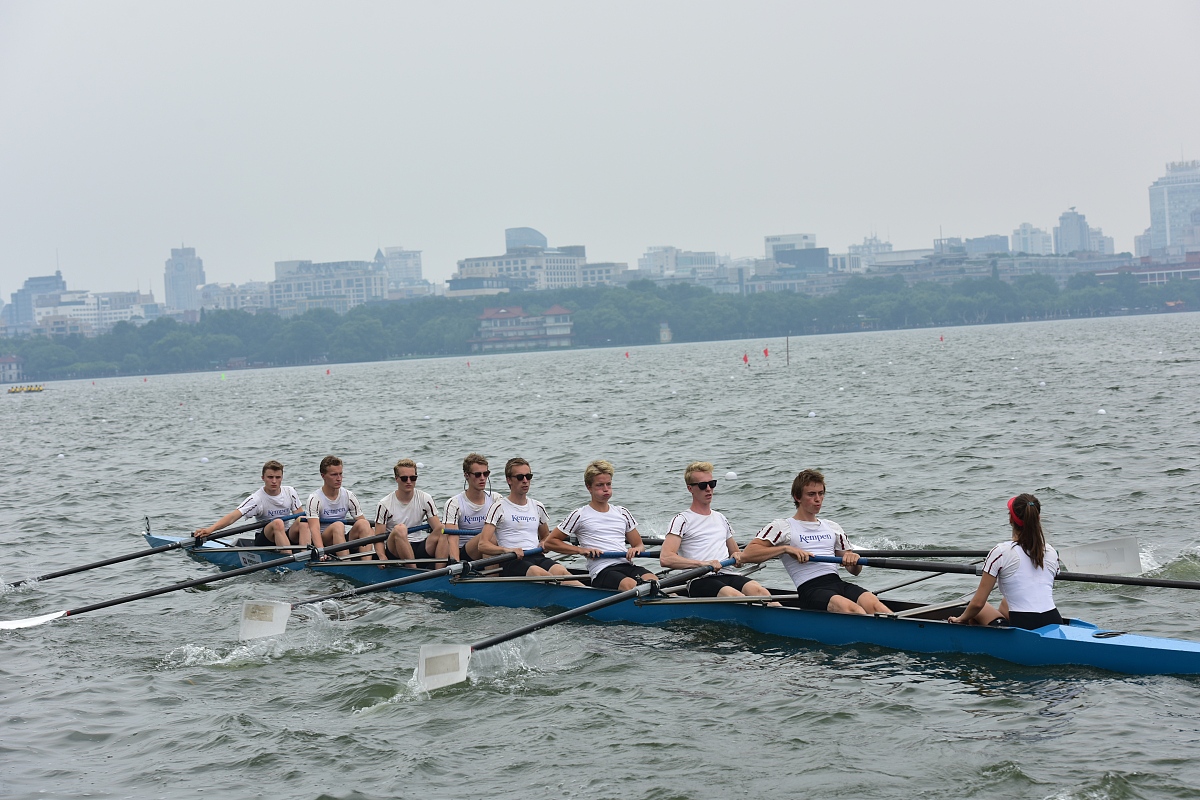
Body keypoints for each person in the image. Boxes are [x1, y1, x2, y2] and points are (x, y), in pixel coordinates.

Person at [740, 469, 891, 615]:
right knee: (853, 610)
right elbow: (747, 555)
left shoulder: (832, 527)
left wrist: (854, 560)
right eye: (811, 494)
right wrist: (785, 549)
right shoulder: (782, 527)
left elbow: (854, 572)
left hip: (837, 583)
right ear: (797, 497)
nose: (818, 499)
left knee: (875, 605)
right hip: (810, 590)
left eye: (821, 493)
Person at [659, 461, 773, 599]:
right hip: (699, 579)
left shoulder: (721, 518)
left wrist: (738, 557)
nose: (708, 489)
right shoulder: (682, 520)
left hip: (728, 574)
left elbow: (737, 555)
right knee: (734, 596)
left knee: (761, 592)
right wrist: (704, 564)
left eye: (711, 484)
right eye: (702, 485)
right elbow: (666, 558)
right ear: (690, 488)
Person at [948, 493, 1062, 629]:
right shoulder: (1051, 552)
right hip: (1054, 621)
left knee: (977, 607)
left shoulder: (1000, 552)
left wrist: (959, 619)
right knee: (1005, 603)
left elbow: (978, 603)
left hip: (1024, 624)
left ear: (1010, 520)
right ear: (1038, 518)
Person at [545, 460, 656, 591]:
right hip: (602, 571)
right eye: (600, 485)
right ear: (589, 487)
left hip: (626, 565)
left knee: (653, 580)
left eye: (608, 484)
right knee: (630, 585)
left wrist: (636, 549)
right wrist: (581, 550)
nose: (605, 489)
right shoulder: (579, 515)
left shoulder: (622, 512)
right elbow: (550, 542)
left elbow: (639, 544)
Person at [478, 457, 582, 584]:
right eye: (520, 477)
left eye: (528, 476)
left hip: (536, 556)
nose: (525, 481)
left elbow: (545, 537)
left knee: (562, 572)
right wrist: (507, 550)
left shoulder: (538, 506)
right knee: (541, 574)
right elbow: (482, 545)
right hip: (512, 560)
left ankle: (591, 597)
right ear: (509, 480)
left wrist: (544, 543)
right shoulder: (498, 507)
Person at [193, 460, 306, 551]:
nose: (274, 481)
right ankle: (289, 558)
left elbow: (300, 518)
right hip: (265, 541)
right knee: (277, 522)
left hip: (286, 536)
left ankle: (306, 553)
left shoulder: (290, 492)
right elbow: (233, 516)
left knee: (303, 520)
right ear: (263, 478)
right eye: (270, 477)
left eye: (278, 477)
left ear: (282, 477)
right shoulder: (256, 499)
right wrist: (210, 529)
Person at [362, 458, 449, 565]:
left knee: (443, 529)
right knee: (400, 528)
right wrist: (382, 556)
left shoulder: (425, 498)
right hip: (395, 549)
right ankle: (413, 571)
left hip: (418, 545)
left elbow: (437, 529)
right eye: (404, 478)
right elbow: (378, 538)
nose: (409, 481)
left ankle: (441, 572)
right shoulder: (385, 504)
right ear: (396, 479)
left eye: (413, 478)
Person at [442, 453, 503, 564]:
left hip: (492, 549)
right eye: (478, 474)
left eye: (486, 474)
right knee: (488, 538)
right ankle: (492, 579)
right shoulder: (454, 503)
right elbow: (452, 539)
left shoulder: (496, 499)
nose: (483, 478)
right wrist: (456, 565)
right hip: (466, 554)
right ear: (466, 475)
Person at [305, 455, 371, 552]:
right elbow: (314, 529)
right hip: (325, 541)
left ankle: (368, 562)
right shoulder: (315, 499)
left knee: (364, 523)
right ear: (323, 476)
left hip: (341, 538)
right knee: (338, 525)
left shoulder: (349, 496)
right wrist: (320, 551)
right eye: (334, 475)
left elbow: (365, 527)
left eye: (340, 474)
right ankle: (346, 562)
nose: (339, 478)